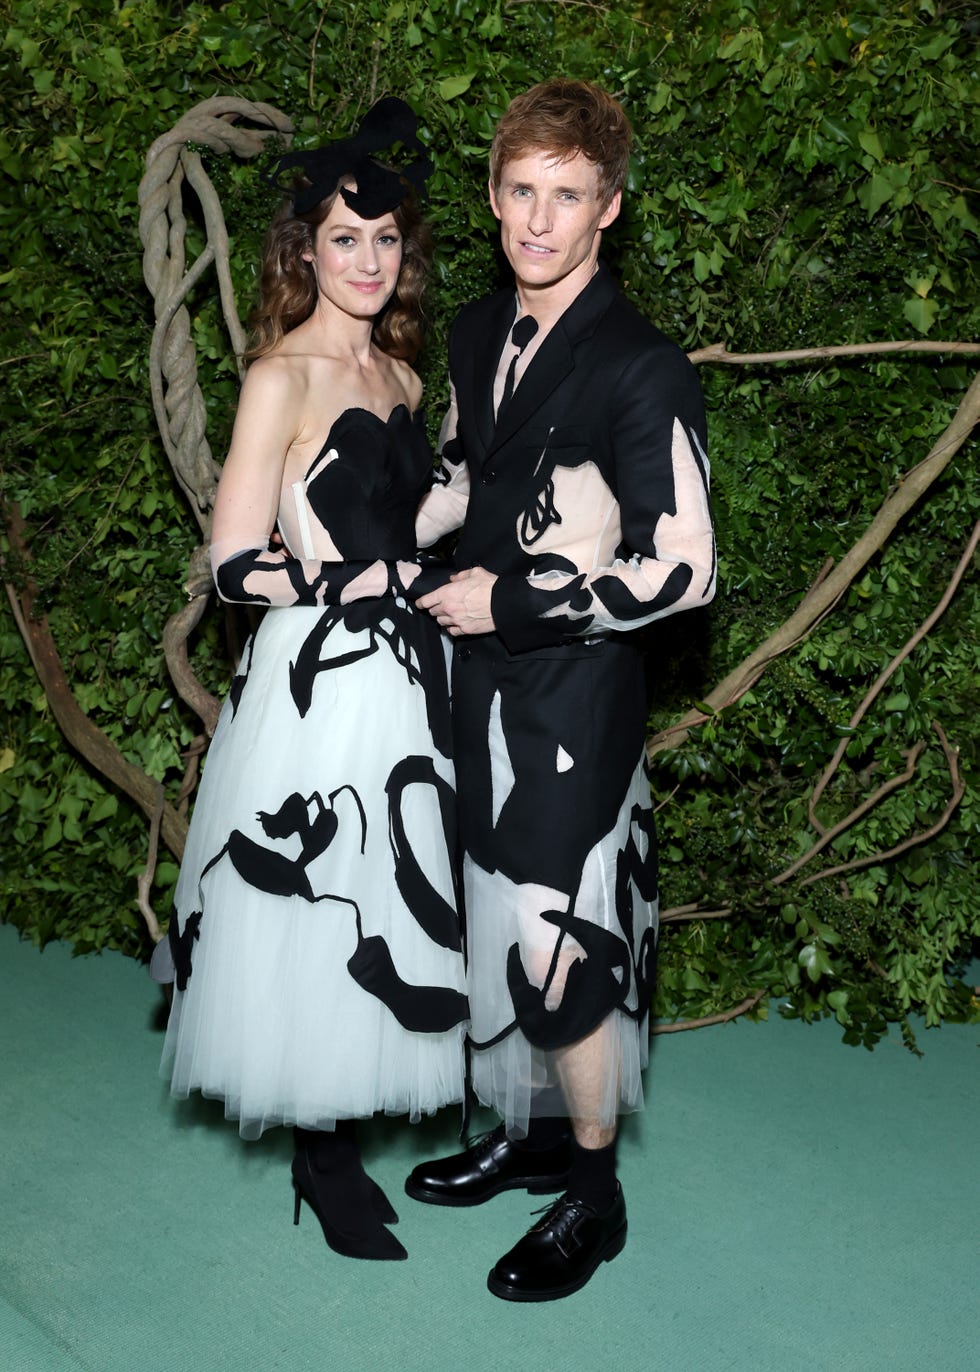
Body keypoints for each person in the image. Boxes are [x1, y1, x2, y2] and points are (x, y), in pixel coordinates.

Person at [408, 78, 716, 1301]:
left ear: (609, 209)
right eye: (521, 192)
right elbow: (459, 473)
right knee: (492, 915)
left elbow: (685, 571)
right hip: (474, 676)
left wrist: (519, 600)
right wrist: (375, 541)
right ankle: (532, 1136)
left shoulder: (642, 366)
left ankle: (594, 1192)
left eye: (568, 197)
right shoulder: (481, 331)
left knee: (553, 939)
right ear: (493, 198)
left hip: (574, 688)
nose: (540, 220)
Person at [157, 99, 467, 1263]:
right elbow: (237, 562)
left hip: (405, 672)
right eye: (345, 239)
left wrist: (483, 479)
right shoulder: (279, 377)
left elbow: (414, 512)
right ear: (305, 251)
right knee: (319, 898)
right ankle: (320, 1158)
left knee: (393, 898)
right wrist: (363, 579)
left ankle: (343, 1122)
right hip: (317, 681)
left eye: (386, 242)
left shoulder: (396, 367)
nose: (369, 261)